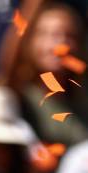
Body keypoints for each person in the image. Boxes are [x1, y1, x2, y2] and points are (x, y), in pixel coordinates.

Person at [8, 2, 88, 147]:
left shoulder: (82, 96)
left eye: (69, 36)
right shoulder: (16, 92)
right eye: (48, 35)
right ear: (30, 41)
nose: (60, 44)